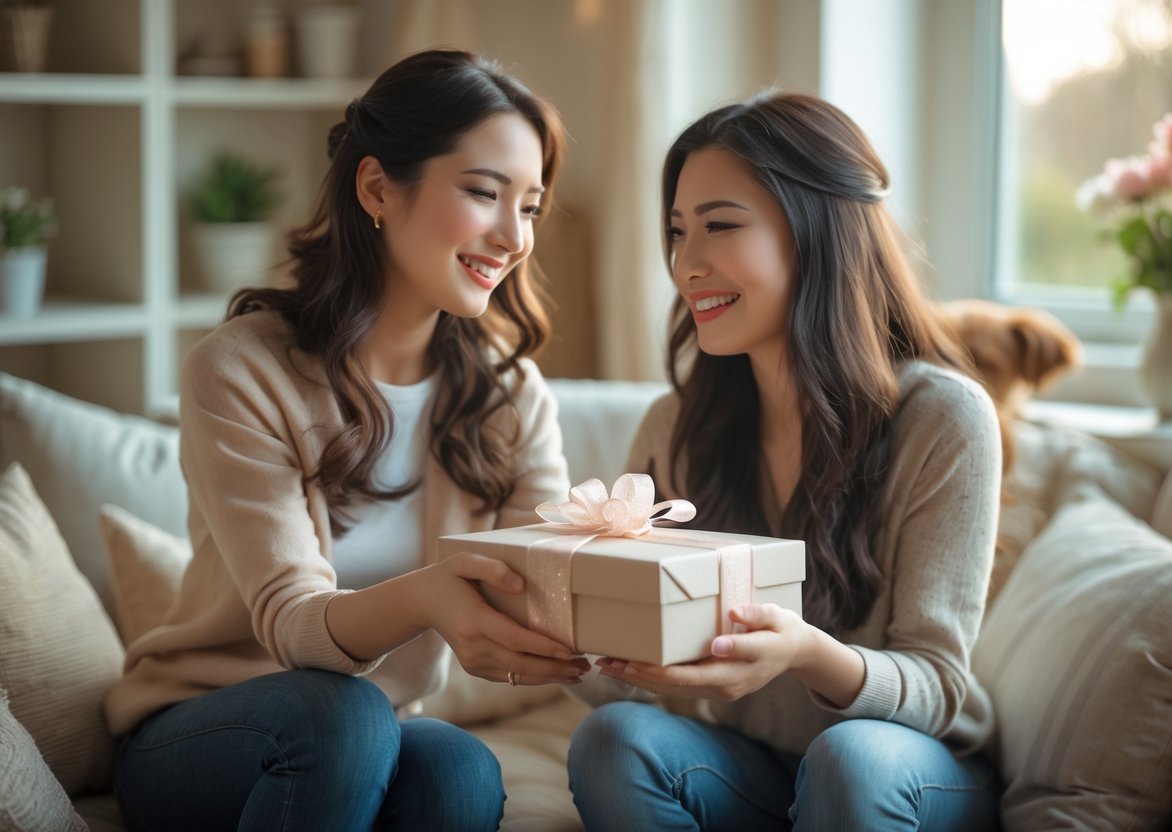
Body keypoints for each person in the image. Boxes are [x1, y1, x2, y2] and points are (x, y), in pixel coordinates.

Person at [104, 48, 589, 832]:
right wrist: (430, 592)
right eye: (482, 193)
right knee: (344, 716)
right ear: (376, 188)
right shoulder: (241, 369)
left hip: (375, 730)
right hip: (203, 731)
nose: (513, 236)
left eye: (529, 206)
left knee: (458, 766)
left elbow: (550, 580)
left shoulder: (507, 394)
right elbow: (293, 623)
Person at [566, 92, 1003, 831]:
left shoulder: (942, 418)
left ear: (818, 233)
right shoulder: (676, 426)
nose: (685, 263)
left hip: (908, 773)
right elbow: (643, 691)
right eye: (676, 232)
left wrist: (806, 654)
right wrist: (579, 632)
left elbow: (937, 687)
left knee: (849, 761)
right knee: (615, 743)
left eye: (720, 226)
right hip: (753, 766)